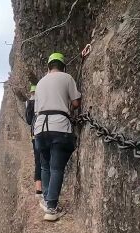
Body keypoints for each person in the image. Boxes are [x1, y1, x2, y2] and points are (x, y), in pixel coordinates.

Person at [33, 52, 81, 221]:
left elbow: (36, 109)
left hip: (40, 127)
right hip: (59, 125)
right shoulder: (67, 78)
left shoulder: (40, 83)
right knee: (56, 168)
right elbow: (75, 102)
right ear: (63, 66)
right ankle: (52, 208)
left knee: (45, 166)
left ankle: (47, 200)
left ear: (48, 66)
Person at [25, 85, 42, 198]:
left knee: (39, 160)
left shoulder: (31, 103)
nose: (33, 95)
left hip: (35, 135)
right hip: (40, 133)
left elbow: (28, 120)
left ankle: (39, 188)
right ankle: (39, 188)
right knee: (42, 160)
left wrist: (31, 103)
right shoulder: (42, 100)